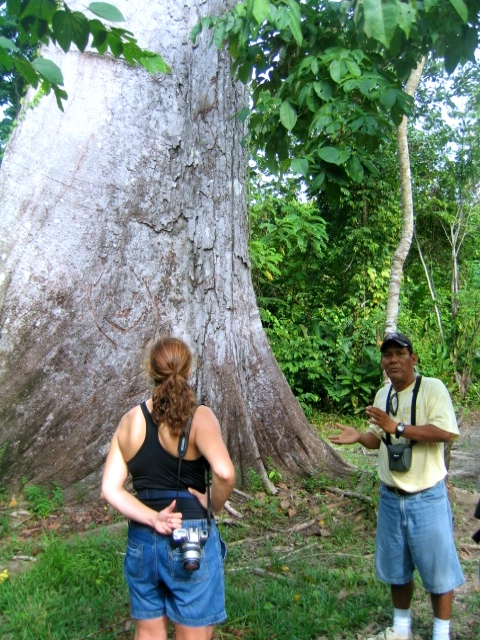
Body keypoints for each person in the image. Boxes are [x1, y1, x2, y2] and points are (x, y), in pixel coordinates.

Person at [329, 332, 465, 640]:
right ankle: (401, 627)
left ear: (413, 359)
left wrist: (398, 426)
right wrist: (360, 437)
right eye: (387, 355)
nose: (392, 360)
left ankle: (441, 633)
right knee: (397, 567)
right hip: (390, 497)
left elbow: (446, 432)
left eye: (399, 354)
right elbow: (379, 437)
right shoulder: (383, 395)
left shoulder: (432, 389)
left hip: (426, 495)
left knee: (438, 570)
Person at [101, 336, 236, 640]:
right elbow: (225, 473)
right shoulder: (200, 418)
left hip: (142, 543)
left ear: (150, 371)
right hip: (190, 539)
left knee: (148, 632)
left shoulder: (130, 422)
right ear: (189, 371)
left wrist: (152, 518)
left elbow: (110, 489)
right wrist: (211, 504)